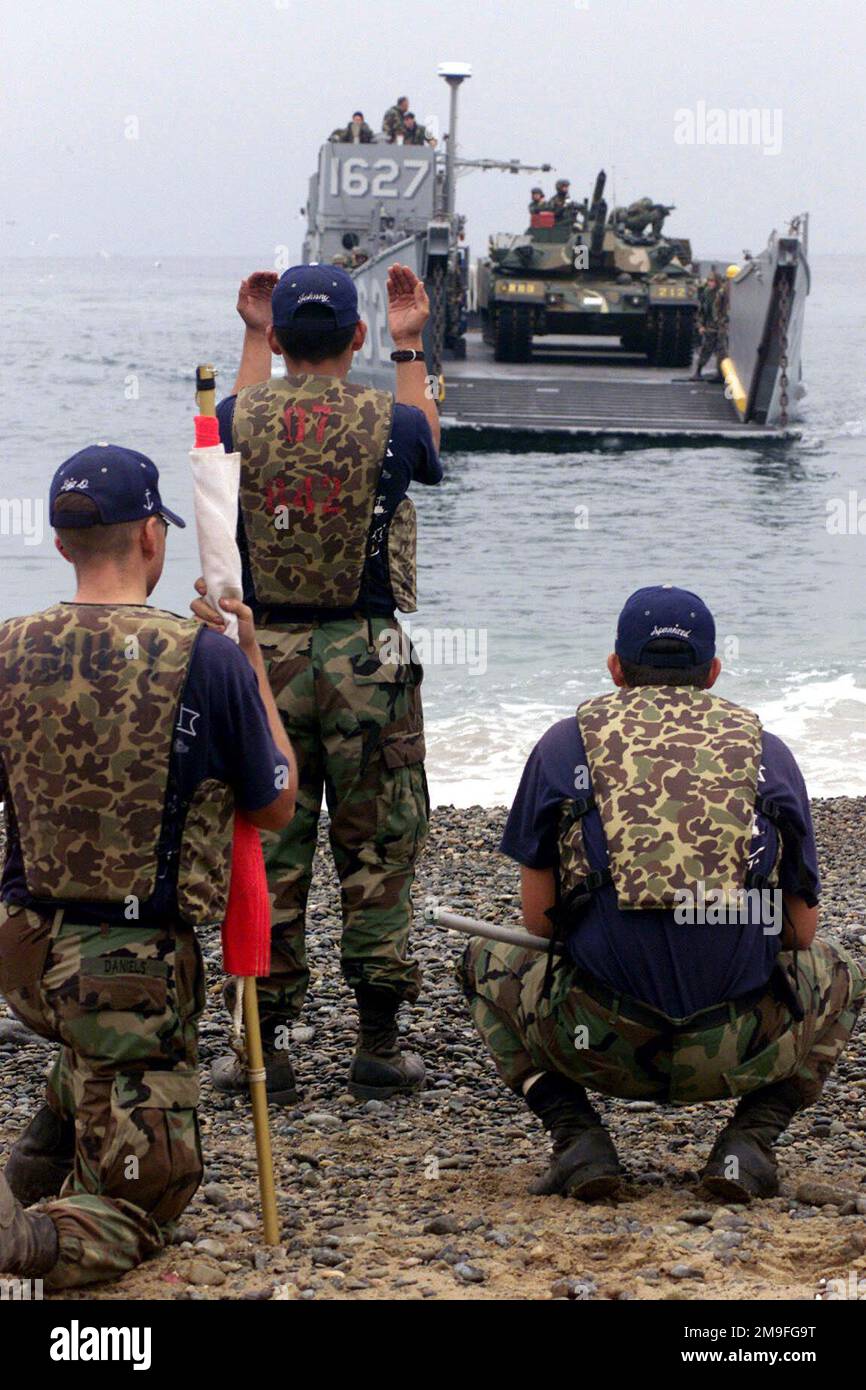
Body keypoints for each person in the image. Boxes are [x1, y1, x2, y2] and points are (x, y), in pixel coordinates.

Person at [0, 447, 297, 1289]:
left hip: (24, 956)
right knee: (145, 1204)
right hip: (135, 972)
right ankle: (18, 1246)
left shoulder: (8, 648)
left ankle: (34, 1165)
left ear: (62, 545)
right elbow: (274, 802)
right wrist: (252, 668)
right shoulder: (204, 659)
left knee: (94, 1042)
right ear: (151, 541)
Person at [460, 585, 864, 1204]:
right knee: (844, 976)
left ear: (615, 668)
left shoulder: (564, 745)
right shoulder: (769, 752)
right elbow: (802, 934)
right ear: (713, 672)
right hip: (737, 1047)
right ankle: (750, 1143)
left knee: (479, 961)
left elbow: (538, 924)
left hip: (596, 1042)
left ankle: (577, 1139)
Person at [209, 262, 442, 1105]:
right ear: (358, 338)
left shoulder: (239, 414)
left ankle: (259, 1051)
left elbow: (224, 440)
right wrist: (411, 345)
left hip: (262, 650)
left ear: (277, 341)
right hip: (367, 650)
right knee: (379, 839)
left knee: (269, 841)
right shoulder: (391, 420)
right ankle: (377, 1042)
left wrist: (246, 337)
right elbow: (430, 442)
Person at [691, 268, 725, 380]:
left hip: (722, 327)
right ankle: (698, 372)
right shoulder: (706, 293)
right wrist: (700, 326)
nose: (710, 283)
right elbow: (701, 312)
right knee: (706, 349)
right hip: (710, 326)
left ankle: (720, 375)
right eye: (709, 280)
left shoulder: (723, 294)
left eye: (713, 281)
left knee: (721, 351)